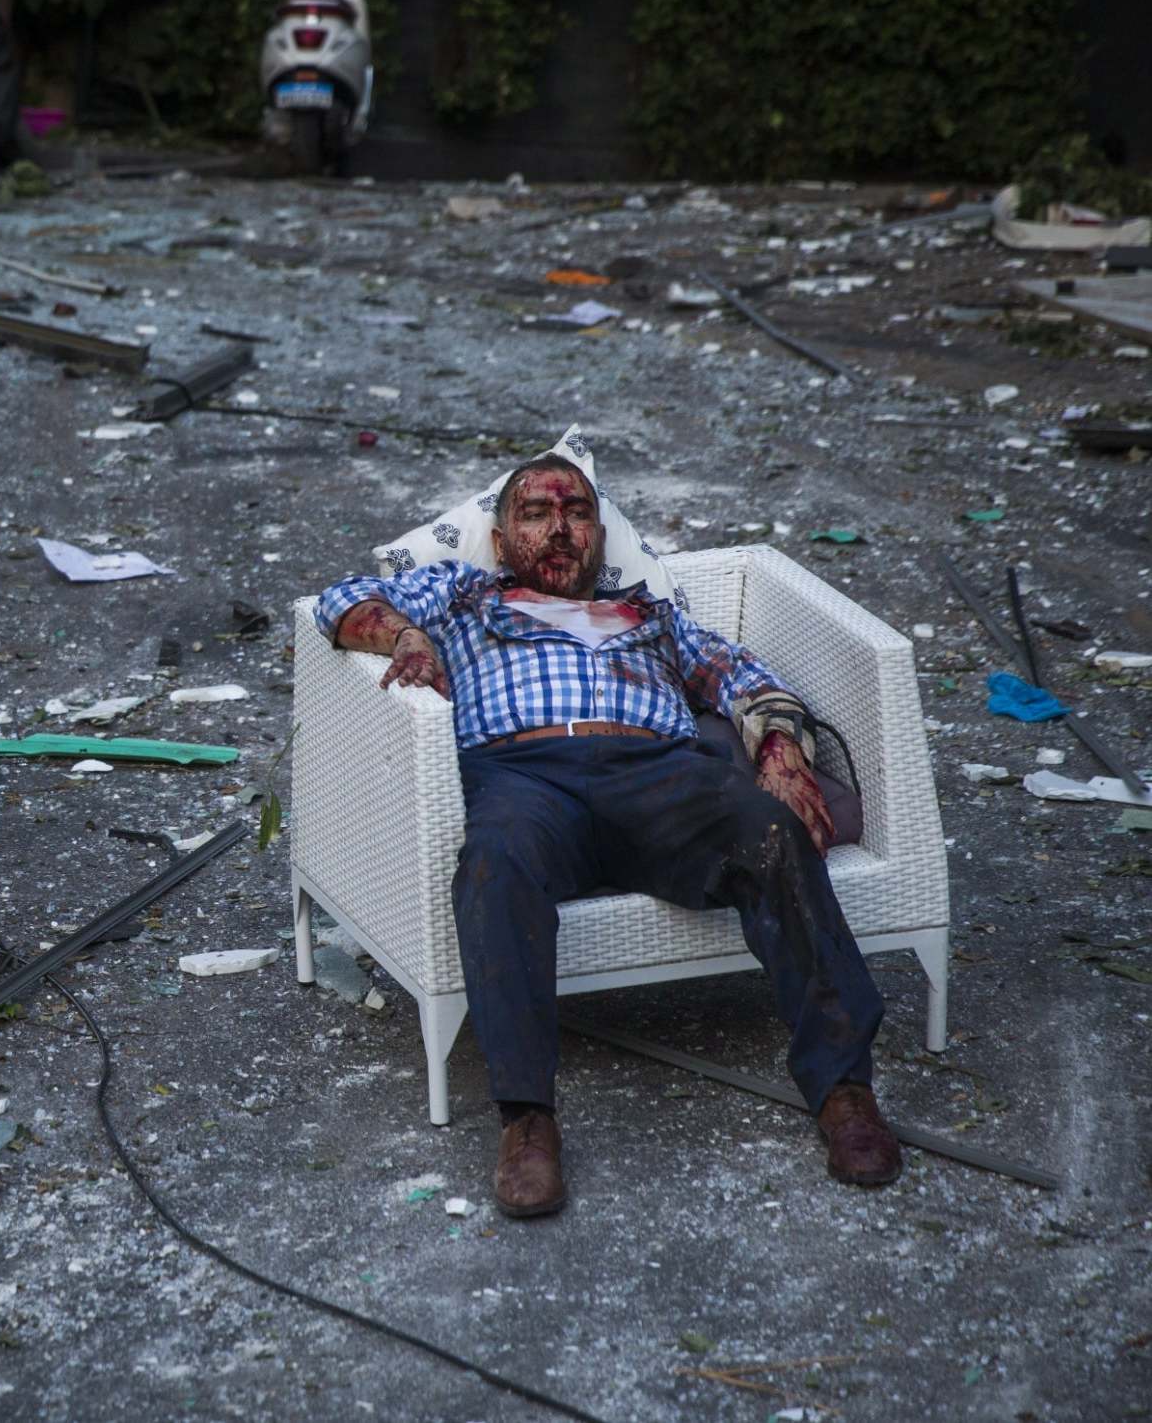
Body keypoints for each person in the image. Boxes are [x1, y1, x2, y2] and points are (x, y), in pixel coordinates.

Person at [314, 454, 901, 1217]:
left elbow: (742, 675)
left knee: (772, 833)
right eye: (535, 513)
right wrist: (404, 638)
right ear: (499, 540)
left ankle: (844, 1090)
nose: (559, 528)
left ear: (597, 532)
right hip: (522, 774)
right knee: (496, 860)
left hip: (656, 773)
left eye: (577, 512)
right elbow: (339, 599)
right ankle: (527, 1120)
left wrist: (781, 747)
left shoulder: (650, 614)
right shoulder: (462, 596)